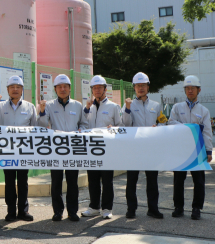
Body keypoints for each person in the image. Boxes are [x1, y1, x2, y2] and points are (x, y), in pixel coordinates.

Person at [0, 75, 38, 222]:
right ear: (8, 90)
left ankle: (23, 211)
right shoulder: (1, 106)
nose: (15, 90)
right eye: (12, 87)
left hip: (23, 151)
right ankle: (10, 211)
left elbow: (34, 128)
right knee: (9, 182)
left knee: (23, 181)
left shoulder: (30, 107)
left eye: (18, 87)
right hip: (7, 150)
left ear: (22, 90)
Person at [38, 74, 87, 222]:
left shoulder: (78, 106)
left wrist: (80, 131)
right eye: (59, 87)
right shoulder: (50, 106)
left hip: (72, 149)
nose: (62, 89)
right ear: (55, 89)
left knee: (73, 182)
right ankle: (57, 211)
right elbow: (41, 125)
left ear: (70, 88)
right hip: (56, 149)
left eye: (65, 86)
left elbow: (83, 124)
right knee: (56, 182)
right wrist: (41, 110)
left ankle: (72, 211)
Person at [121, 72, 166, 219]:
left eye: (143, 85)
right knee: (131, 180)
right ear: (134, 87)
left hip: (151, 148)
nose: (141, 88)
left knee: (152, 180)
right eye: (138, 85)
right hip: (134, 148)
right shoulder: (129, 105)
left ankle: (153, 209)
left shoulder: (155, 105)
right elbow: (126, 124)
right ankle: (131, 209)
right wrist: (127, 108)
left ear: (148, 87)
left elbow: (163, 122)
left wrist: (158, 127)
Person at [168, 75, 213, 220]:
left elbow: (207, 131)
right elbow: (170, 123)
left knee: (199, 181)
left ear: (198, 90)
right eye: (187, 88)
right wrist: (188, 127)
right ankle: (178, 207)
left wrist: (209, 150)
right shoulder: (177, 107)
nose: (190, 91)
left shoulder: (204, 110)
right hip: (181, 149)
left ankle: (196, 208)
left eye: (193, 88)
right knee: (178, 180)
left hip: (198, 150)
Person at [81, 75, 123, 219]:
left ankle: (107, 208)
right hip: (91, 149)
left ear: (105, 89)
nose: (97, 90)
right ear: (92, 90)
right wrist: (86, 109)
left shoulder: (113, 106)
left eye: (100, 87)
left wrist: (114, 128)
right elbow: (82, 124)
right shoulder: (88, 107)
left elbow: (121, 126)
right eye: (94, 88)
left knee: (107, 180)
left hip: (107, 150)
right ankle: (94, 207)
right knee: (92, 180)